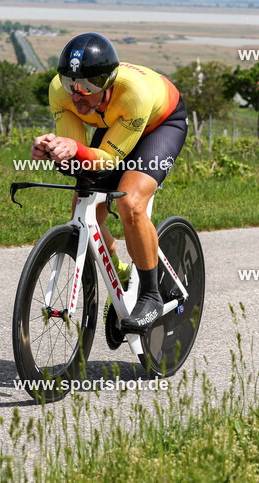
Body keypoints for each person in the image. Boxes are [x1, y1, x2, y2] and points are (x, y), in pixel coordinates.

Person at [31, 32, 188, 332]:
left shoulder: (132, 94)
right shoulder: (61, 91)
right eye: (70, 84)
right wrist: (54, 150)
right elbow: (79, 160)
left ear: (107, 83)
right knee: (85, 209)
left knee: (130, 202)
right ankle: (122, 274)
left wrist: (75, 150)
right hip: (118, 124)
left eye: (87, 87)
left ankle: (152, 294)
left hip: (160, 124)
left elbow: (107, 160)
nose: (76, 95)